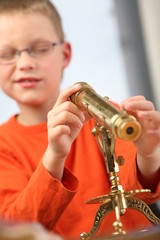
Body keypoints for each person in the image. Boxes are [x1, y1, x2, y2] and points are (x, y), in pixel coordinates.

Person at [0, 0, 159, 239]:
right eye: (7, 54)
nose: (25, 64)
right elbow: (17, 229)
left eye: (41, 48)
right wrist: (54, 155)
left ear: (65, 55)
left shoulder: (103, 114)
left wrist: (148, 153)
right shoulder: (4, 146)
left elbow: (139, 193)